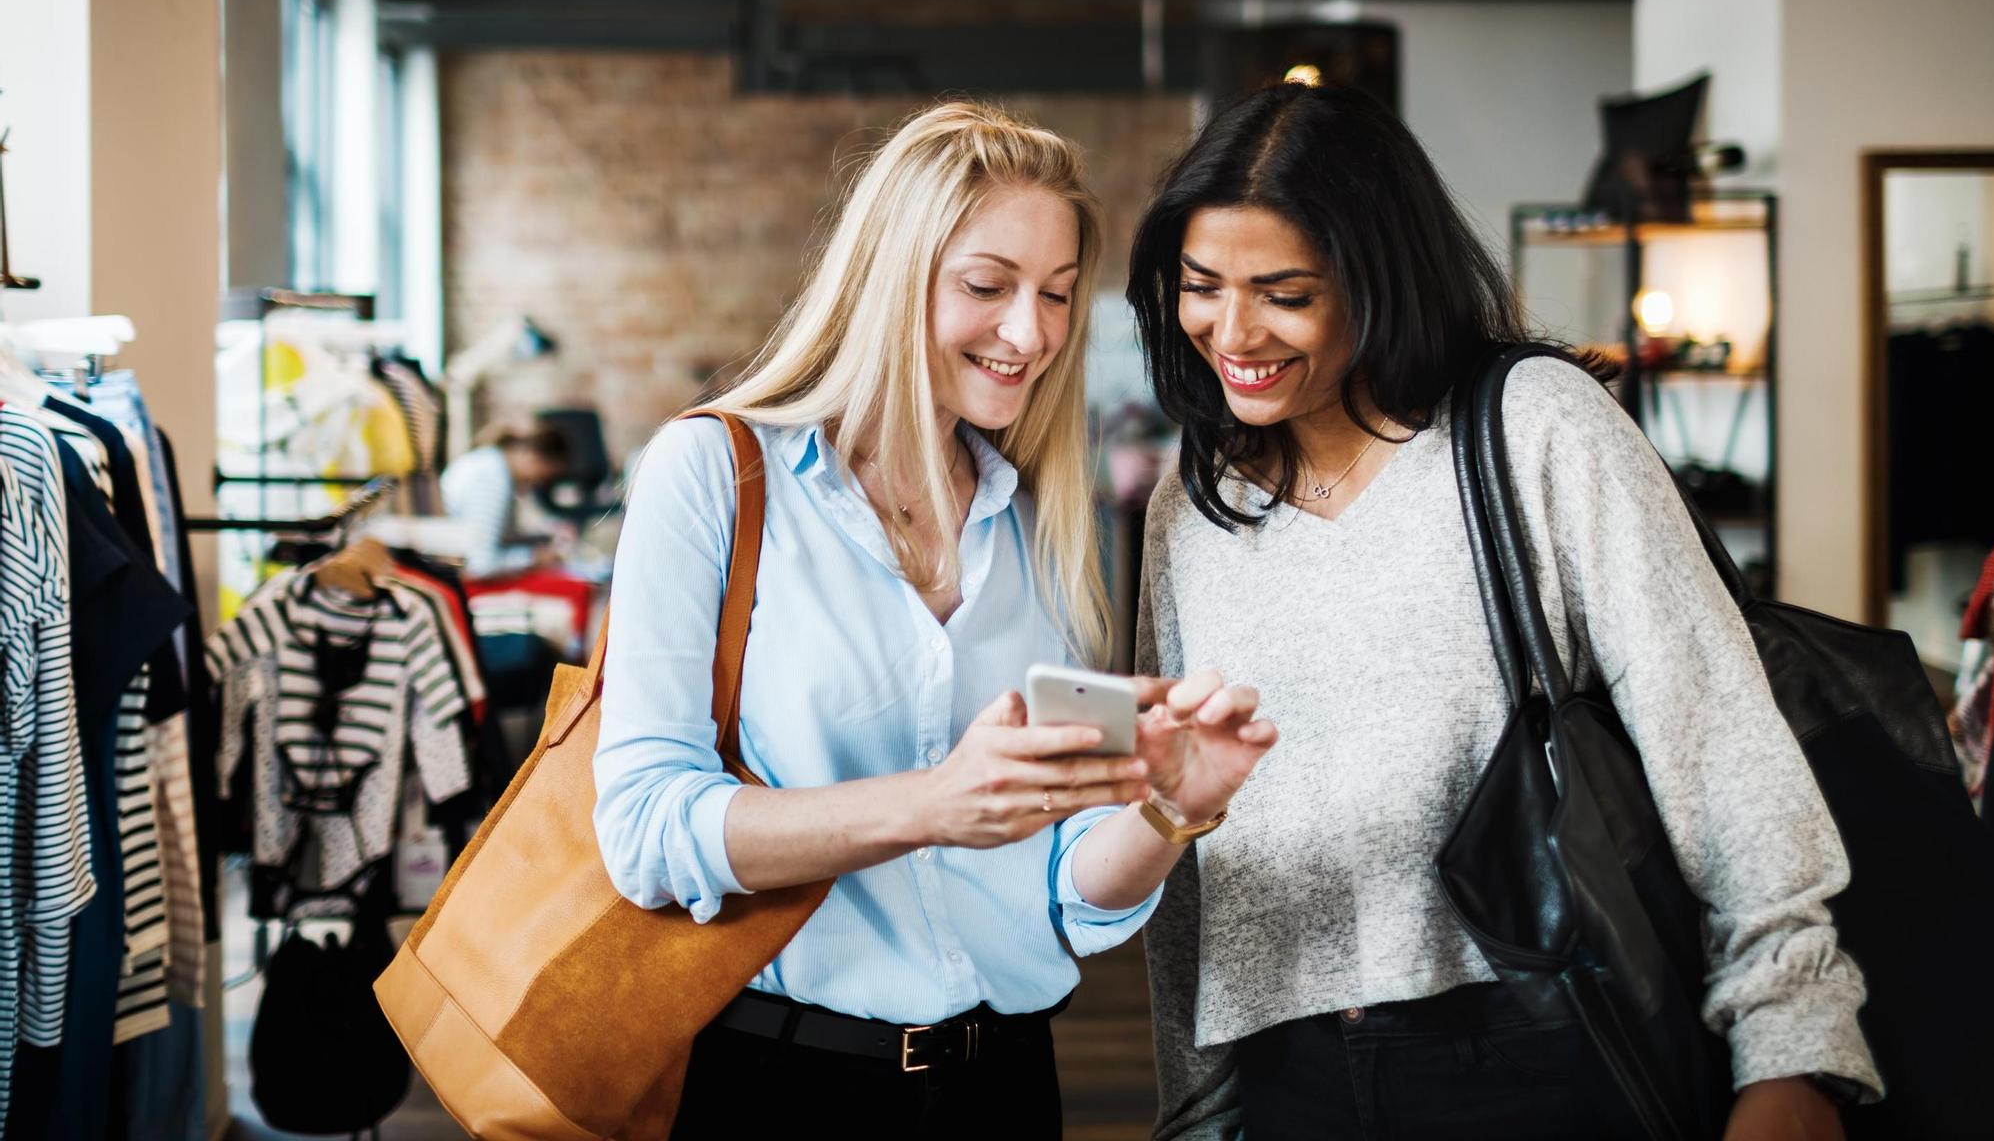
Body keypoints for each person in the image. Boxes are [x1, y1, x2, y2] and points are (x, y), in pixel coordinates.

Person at [1128, 82, 1881, 1139]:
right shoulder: (1196, 500)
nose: (1230, 330)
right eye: (1200, 285)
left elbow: (1711, 732)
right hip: (1290, 1075)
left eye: (1284, 293)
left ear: (1377, 280)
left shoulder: (1531, 428)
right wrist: (1194, 1109)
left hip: (1533, 1044)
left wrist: (1788, 1045)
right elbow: (1191, 833)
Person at [592, 102, 1278, 1137]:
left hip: (1000, 1085)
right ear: (888, 277)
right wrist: (929, 804)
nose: (1029, 333)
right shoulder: (716, 473)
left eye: (1054, 295)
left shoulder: (1048, 514)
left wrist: (1168, 811)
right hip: (778, 1084)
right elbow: (644, 829)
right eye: (985, 286)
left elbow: (1064, 885)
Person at [438, 423, 570, 577]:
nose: (538, 484)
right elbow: (480, 564)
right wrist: (533, 558)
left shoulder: (491, 461)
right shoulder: (493, 475)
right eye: (545, 477)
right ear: (533, 457)